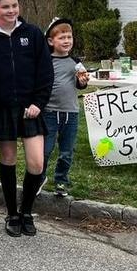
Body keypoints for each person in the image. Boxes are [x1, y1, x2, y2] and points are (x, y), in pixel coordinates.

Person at [0, 0, 54, 239]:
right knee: (8, 160)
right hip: (3, 109)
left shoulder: (32, 34)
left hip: (31, 108)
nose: (11, 10)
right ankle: (11, 213)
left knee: (36, 163)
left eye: (14, 5)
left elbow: (45, 73)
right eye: (5, 6)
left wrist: (38, 103)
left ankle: (26, 211)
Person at [42, 18, 89, 198]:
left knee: (66, 151)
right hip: (50, 112)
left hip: (71, 113)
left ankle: (61, 180)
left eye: (69, 37)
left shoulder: (76, 62)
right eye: (62, 37)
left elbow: (81, 83)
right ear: (51, 41)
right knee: (45, 150)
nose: (67, 41)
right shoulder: (46, 61)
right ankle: (39, 177)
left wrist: (83, 82)